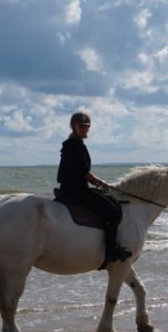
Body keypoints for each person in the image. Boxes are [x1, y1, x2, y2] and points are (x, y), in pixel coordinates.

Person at [56, 111, 131, 266]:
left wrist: (97, 183)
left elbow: (80, 171)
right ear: (73, 126)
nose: (84, 129)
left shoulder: (71, 144)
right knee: (114, 212)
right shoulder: (76, 145)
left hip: (71, 187)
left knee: (107, 200)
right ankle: (111, 252)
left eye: (87, 126)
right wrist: (100, 181)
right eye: (81, 126)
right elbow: (84, 172)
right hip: (76, 190)